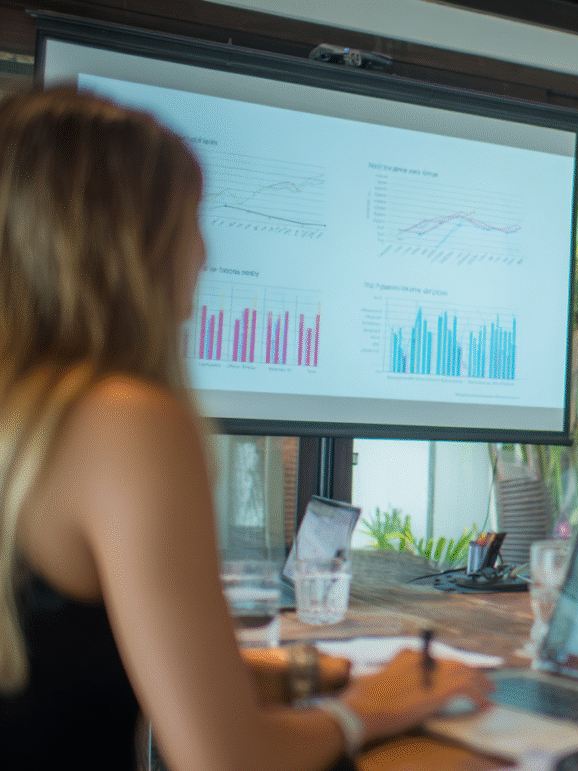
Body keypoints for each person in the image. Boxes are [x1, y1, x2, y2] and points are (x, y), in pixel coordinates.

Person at [0, 87, 491, 770]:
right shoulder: (124, 420)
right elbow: (226, 758)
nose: (203, 253)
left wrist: (308, 676)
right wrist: (372, 709)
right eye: (187, 220)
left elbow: (79, 666)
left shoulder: (27, 418)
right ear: (121, 241)